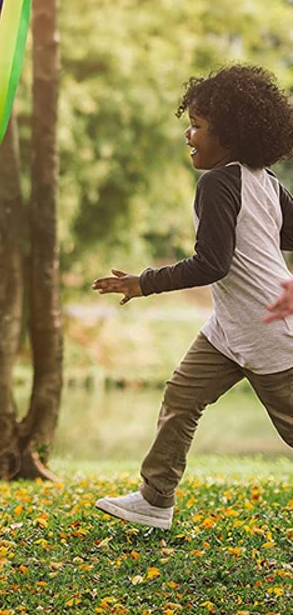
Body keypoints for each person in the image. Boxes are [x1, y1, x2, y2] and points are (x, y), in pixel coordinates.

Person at [92, 64, 293, 530]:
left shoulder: (222, 183)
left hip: (267, 330)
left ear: (230, 134)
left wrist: (144, 282)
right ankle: (155, 498)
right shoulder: (261, 180)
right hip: (229, 329)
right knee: (182, 397)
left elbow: (212, 264)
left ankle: (155, 497)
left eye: (198, 126)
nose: (189, 134)